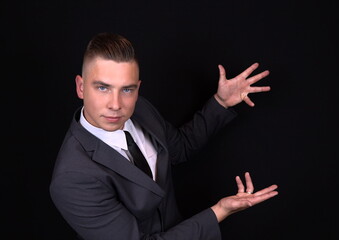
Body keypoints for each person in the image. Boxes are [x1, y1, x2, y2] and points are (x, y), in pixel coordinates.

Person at [49, 32, 278, 240]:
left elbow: (180, 148)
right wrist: (219, 211)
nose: (116, 105)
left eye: (127, 89)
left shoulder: (140, 109)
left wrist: (221, 103)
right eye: (103, 88)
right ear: (80, 87)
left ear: (138, 88)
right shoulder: (71, 178)